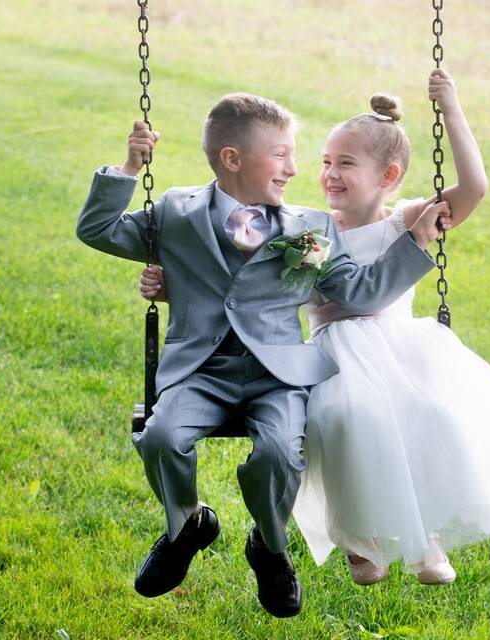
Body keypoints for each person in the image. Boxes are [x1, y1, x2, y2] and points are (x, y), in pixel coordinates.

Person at [142, 68, 490, 587]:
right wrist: (180, 289)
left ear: (388, 176)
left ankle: (426, 537)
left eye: (344, 164)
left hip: (400, 345)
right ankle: (359, 539)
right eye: (325, 162)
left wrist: (451, 110)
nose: (327, 174)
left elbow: (475, 188)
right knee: (342, 415)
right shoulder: (306, 228)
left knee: (430, 412)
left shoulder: (407, 218)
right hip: (333, 351)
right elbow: (261, 288)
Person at [76, 93, 445, 617]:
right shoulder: (178, 213)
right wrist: (130, 168)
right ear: (232, 159)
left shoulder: (306, 227)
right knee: (160, 436)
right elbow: (98, 230)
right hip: (199, 371)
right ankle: (187, 525)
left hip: (276, 375)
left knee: (278, 455)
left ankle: (269, 548)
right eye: (282, 155)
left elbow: (358, 293)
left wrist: (416, 243)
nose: (296, 168)